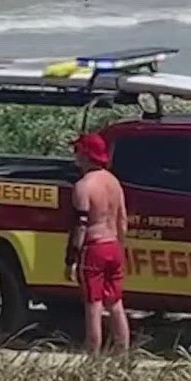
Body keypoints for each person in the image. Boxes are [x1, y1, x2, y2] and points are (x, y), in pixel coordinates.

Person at [66, 133, 130, 354]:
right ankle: (123, 353)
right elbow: (123, 220)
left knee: (93, 304)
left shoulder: (83, 186)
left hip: (94, 247)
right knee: (115, 303)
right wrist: (120, 247)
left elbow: (80, 226)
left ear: (86, 154)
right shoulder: (114, 182)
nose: (74, 156)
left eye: (77, 151)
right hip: (114, 245)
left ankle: (93, 354)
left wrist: (71, 259)